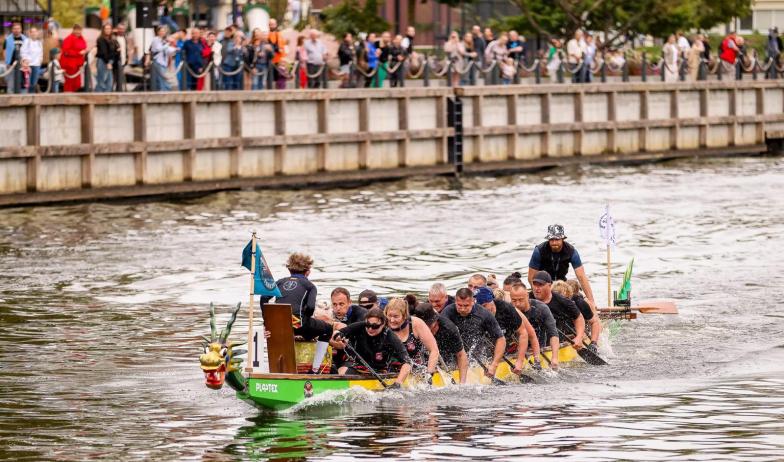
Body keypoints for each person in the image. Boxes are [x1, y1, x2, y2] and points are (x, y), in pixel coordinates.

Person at [263, 252, 335, 374]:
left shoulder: (279, 282)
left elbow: (264, 298)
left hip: (278, 326)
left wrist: (267, 321)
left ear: (289, 269)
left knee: (306, 328)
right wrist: (305, 318)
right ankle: (315, 370)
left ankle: (279, 369)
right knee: (327, 329)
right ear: (308, 271)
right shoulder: (310, 286)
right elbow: (311, 307)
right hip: (298, 324)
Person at [333, 307, 412, 388]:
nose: (370, 329)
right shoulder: (360, 326)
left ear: (383, 324)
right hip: (357, 368)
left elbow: (408, 362)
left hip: (380, 373)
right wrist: (337, 335)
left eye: (375, 326)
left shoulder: (390, 336)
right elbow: (338, 332)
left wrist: (397, 383)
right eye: (368, 325)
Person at [527, 224, 597, 310]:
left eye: (557, 239)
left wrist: (591, 301)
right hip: (543, 285)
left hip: (562, 285)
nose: (554, 243)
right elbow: (531, 278)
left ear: (563, 239)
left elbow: (581, 277)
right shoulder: (539, 251)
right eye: (551, 240)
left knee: (581, 300)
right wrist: (539, 294)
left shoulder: (571, 251)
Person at [441, 288, 506, 377]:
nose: (463, 309)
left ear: (473, 301)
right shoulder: (447, 312)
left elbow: (501, 339)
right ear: (455, 301)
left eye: (466, 305)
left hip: (476, 356)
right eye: (459, 305)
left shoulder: (484, 314)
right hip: (454, 353)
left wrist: (494, 365)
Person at [474, 287, 530, 374]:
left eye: (485, 305)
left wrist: (519, 361)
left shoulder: (506, 308)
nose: (482, 309)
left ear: (491, 300)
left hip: (510, 344)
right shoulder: (476, 313)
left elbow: (523, 333)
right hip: (491, 346)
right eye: (479, 306)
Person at [413, 303, 469, 384]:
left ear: (435, 320)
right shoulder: (413, 325)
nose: (425, 328)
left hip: (445, 354)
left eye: (428, 325)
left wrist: (462, 383)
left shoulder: (449, 329)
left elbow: (461, 355)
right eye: (423, 325)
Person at [384, 298, 439, 379]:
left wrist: (429, 375)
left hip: (415, 370)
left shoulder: (416, 323)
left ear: (404, 315)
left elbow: (434, 350)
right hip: (387, 370)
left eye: (396, 316)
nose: (392, 320)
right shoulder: (381, 323)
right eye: (389, 316)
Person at [531, 271, 586, 350]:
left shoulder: (562, 301)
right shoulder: (528, 299)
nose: (536, 288)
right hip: (535, 340)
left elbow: (578, 317)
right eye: (534, 284)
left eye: (540, 285)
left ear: (549, 286)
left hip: (556, 339)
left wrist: (579, 337)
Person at [509, 282, 554, 368]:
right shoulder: (508, 308)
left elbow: (553, 333)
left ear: (527, 296)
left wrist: (554, 357)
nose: (517, 304)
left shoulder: (541, 308)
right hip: (519, 348)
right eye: (514, 300)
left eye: (521, 300)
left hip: (539, 347)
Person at [563, 279, 602, 350]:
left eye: (567, 294)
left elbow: (595, 322)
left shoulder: (581, 303)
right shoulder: (559, 299)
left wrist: (593, 343)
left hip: (583, 323)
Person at [61, 24, 88, 92]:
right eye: (76, 30)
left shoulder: (81, 38)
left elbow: (84, 46)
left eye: (79, 30)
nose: (78, 32)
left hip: (78, 64)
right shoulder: (68, 39)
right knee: (69, 83)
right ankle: (68, 98)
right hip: (70, 64)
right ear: (73, 30)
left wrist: (84, 52)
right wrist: (78, 53)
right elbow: (66, 51)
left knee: (77, 84)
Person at [150, 25, 176, 91]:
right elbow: (159, 49)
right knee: (163, 78)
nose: (162, 32)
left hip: (163, 62)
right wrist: (168, 44)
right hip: (158, 61)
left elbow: (167, 50)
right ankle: (165, 91)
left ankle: (164, 91)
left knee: (162, 79)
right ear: (158, 32)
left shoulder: (163, 40)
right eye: (161, 31)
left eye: (164, 31)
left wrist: (175, 49)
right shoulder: (155, 39)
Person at [95, 23, 119, 92]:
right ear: (103, 30)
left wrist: (116, 52)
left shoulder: (112, 40)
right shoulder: (101, 39)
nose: (108, 30)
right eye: (106, 29)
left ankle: (106, 99)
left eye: (109, 28)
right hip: (103, 61)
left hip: (109, 61)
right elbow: (103, 52)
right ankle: (98, 99)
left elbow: (114, 52)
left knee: (109, 82)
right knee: (102, 81)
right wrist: (108, 63)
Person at [4, 22, 26, 93]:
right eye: (14, 28)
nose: (16, 30)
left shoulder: (25, 39)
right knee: (11, 85)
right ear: (12, 29)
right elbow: (4, 51)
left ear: (21, 29)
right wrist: (7, 62)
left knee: (22, 84)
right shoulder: (7, 39)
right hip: (11, 65)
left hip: (22, 65)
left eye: (18, 28)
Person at [20, 26, 42, 93]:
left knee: (34, 83)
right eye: (32, 32)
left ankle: (31, 98)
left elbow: (41, 53)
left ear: (37, 33)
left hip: (36, 65)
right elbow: (23, 52)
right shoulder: (27, 41)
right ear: (29, 33)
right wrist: (25, 60)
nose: (34, 33)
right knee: (27, 83)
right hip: (28, 65)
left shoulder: (39, 42)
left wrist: (40, 61)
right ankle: (26, 98)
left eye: (35, 32)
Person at [268, 19, 288, 89]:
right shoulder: (267, 35)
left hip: (281, 61)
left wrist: (285, 60)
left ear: (276, 25)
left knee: (281, 79)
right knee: (272, 80)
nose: (272, 26)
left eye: (273, 24)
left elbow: (284, 49)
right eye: (270, 24)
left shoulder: (280, 35)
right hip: (272, 61)